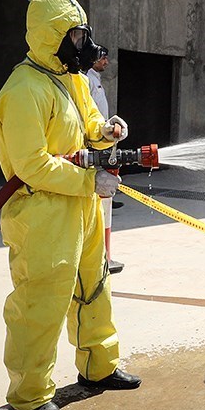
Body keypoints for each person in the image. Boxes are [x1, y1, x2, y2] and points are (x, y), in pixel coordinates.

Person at [0, 0, 141, 410]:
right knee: (40, 303)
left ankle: (100, 367)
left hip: (81, 205)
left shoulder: (68, 78)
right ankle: (29, 395)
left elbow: (88, 125)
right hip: (41, 212)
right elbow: (31, 165)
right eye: (74, 37)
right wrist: (89, 180)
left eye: (82, 35)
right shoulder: (23, 90)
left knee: (93, 287)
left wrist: (108, 131)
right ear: (48, 36)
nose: (83, 46)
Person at [85, 45, 124, 274]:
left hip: (101, 140)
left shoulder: (95, 79)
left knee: (105, 193)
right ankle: (98, 257)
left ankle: (101, 255)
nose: (106, 62)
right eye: (103, 58)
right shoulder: (86, 79)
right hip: (92, 144)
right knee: (96, 197)